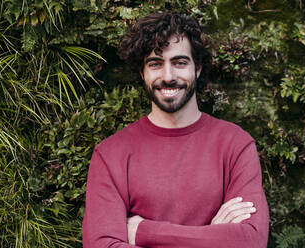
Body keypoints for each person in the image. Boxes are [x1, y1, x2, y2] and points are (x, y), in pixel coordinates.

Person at [82, 11, 269, 248]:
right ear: (143, 73)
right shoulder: (110, 154)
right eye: (155, 64)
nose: (168, 76)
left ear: (197, 68)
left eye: (179, 62)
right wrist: (211, 238)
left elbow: (250, 241)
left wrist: (144, 232)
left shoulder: (236, 145)